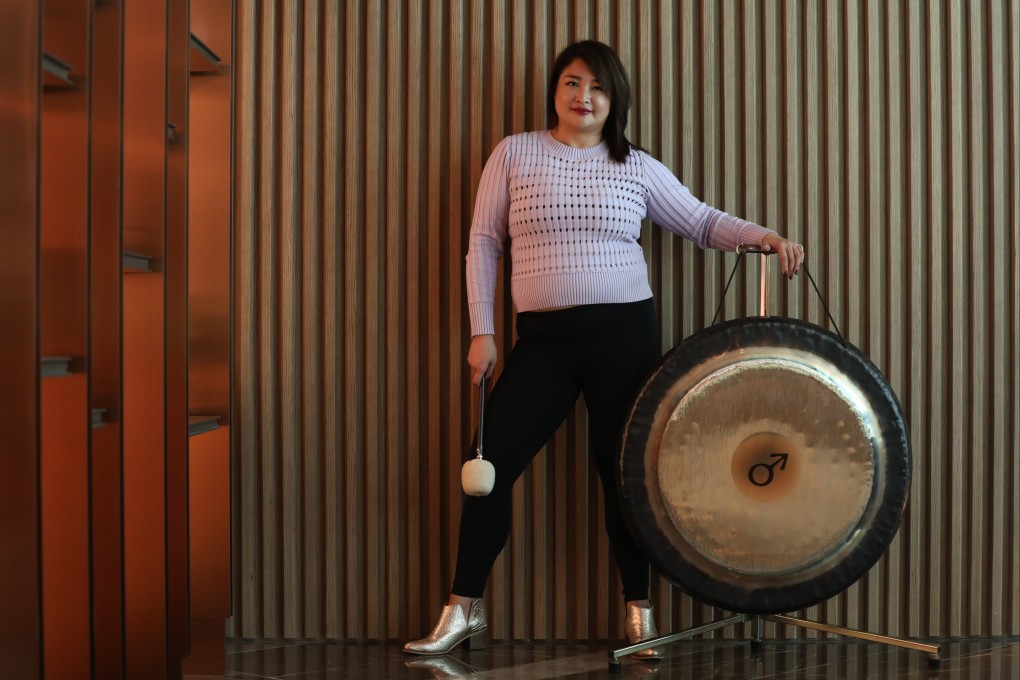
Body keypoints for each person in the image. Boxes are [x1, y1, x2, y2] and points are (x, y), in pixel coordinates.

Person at [404, 40, 805, 658]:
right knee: (486, 472)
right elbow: (483, 242)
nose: (581, 96)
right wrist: (482, 331)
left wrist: (764, 236)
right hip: (542, 342)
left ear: (613, 100)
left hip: (625, 337)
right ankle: (464, 607)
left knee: (624, 476)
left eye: (596, 87)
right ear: (555, 91)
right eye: (571, 82)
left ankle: (638, 612)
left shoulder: (636, 166)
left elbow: (698, 221)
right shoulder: (515, 153)